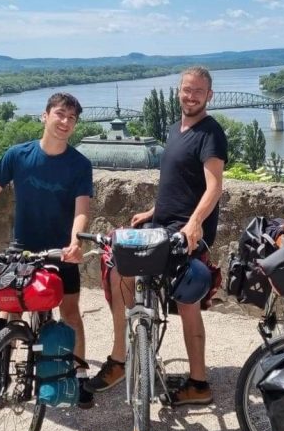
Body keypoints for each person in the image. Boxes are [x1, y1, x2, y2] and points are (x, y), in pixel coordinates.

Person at [87, 66, 227, 405]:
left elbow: (214, 187)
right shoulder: (174, 129)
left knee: (186, 300)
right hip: (161, 225)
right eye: (186, 89)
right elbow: (179, 181)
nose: (191, 96)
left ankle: (198, 383)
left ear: (209, 95)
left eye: (198, 91)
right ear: (179, 91)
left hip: (186, 234)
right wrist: (154, 210)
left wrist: (193, 224)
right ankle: (123, 353)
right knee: (118, 262)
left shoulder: (211, 133)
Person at [0, 92, 94, 407]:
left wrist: (75, 241)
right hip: (22, 248)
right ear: (45, 116)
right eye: (60, 114)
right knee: (12, 311)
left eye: (71, 118)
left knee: (69, 312)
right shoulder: (17, 155)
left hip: (60, 250)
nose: (65, 122)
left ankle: (78, 374)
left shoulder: (79, 164)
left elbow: (82, 208)